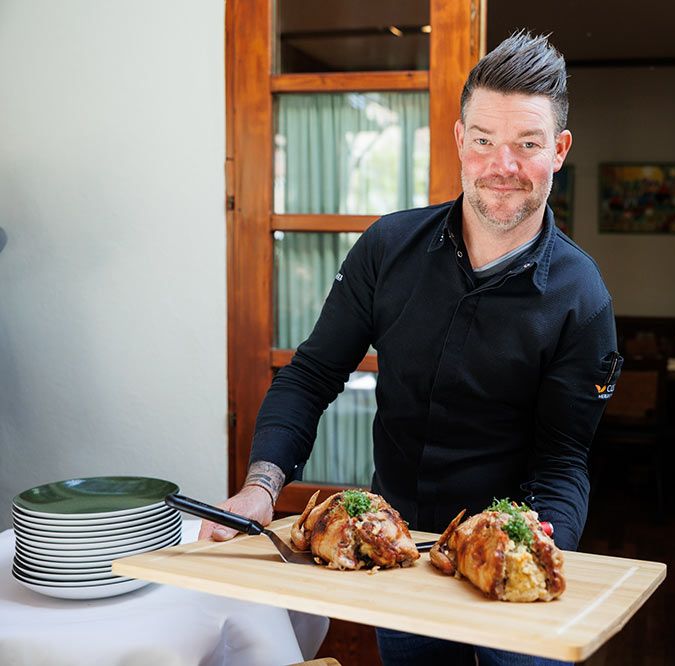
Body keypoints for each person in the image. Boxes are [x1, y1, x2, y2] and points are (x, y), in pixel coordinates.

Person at [199, 30, 621, 666]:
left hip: (508, 549)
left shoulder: (581, 297)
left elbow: (563, 459)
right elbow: (311, 376)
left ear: (558, 150)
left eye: (527, 144)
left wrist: (531, 547)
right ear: (459, 140)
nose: (503, 165)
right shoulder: (387, 249)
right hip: (398, 551)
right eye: (484, 140)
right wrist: (261, 488)